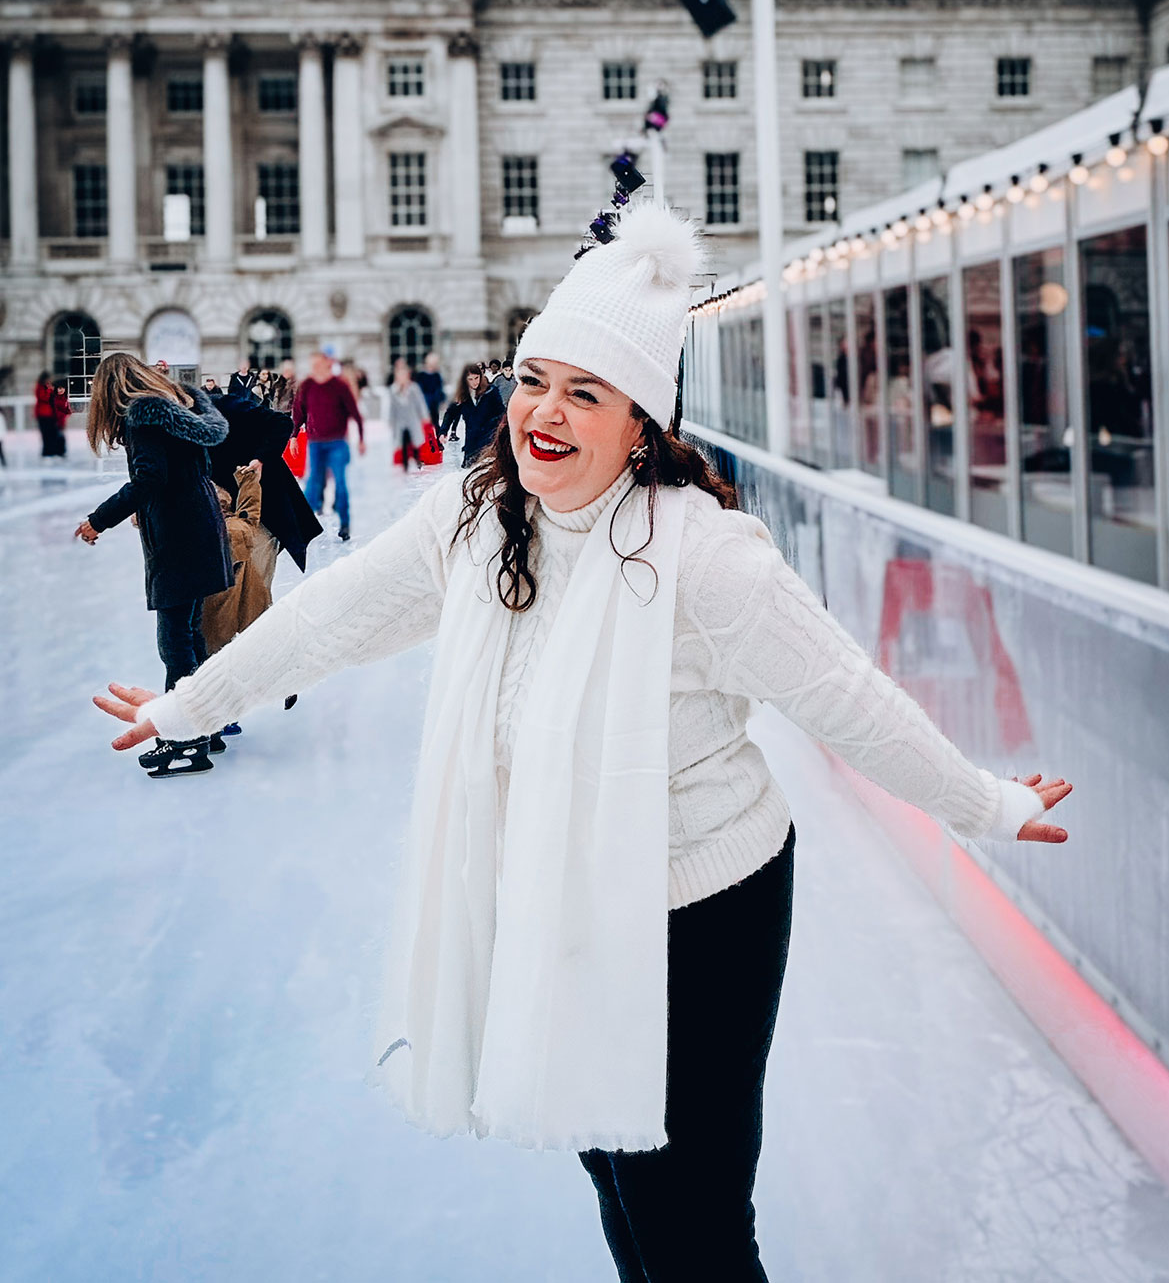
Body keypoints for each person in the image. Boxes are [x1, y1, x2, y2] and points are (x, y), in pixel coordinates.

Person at [95, 204, 1072, 1280]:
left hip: (702, 906)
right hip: (557, 885)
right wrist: (188, 703)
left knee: (688, 1212)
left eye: (586, 390)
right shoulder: (474, 518)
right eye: (534, 378)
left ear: (642, 423)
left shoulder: (705, 556)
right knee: (608, 1164)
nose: (544, 412)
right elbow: (334, 618)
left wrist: (989, 803)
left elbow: (846, 694)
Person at [79, 354, 233, 778]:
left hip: (180, 539)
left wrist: (99, 519)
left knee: (175, 643)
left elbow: (150, 478)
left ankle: (184, 739)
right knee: (189, 634)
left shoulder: (142, 417)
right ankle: (208, 725)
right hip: (201, 527)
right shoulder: (172, 410)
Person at [208, 381, 322, 589]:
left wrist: (260, 459)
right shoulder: (177, 431)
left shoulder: (223, 406)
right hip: (229, 513)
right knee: (235, 587)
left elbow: (281, 422)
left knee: (255, 584)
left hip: (264, 505)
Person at [202, 460, 273, 674]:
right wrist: (249, 480)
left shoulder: (200, 536)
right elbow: (250, 510)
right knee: (260, 632)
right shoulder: (240, 528)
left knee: (214, 649)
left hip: (214, 617)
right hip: (252, 599)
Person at [292, 351, 365, 542]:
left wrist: (362, 438)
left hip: (337, 443)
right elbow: (298, 412)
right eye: (312, 365)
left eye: (318, 364)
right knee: (312, 483)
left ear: (327, 364)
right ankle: (303, 525)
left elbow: (354, 412)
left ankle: (345, 524)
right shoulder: (307, 385)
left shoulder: (338, 386)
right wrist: (293, 436)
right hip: (315, 442)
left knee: (340, 482)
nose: (315, 368)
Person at [438, 361, 505, 467]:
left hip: (489, 438)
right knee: (470, 470)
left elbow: (501, 412)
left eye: (476, 378)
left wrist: (494, 425)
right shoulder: (461, 396)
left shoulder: (491, 392)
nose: (474, 382)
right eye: (470, 379)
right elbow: (450, 413)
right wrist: (443, 431)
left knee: (487, 469)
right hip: (472, 440)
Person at [388, 358, 431, 473]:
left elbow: (420, 403)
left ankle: (417, 460)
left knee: (415, 441)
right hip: (400, 422)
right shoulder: (393, 390)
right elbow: (391, 407)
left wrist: (424, 415)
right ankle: (405, 463)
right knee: (403, 441)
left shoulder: (413, 388)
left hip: (412, 419)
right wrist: (390, 420)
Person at [34, 372, 64, 457]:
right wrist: (49, 390)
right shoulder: (41, 387)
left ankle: (53, 450)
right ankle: (47, 451)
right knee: (46, 434)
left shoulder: (47, 387)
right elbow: (44, 398)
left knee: (52, 433)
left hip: (51, 414)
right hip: (43, 415)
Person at [415, 350, 445, 428]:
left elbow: (440, 388)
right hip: (424, 403)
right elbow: (419, 390)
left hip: (434, 404)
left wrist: (442, 399)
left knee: (435, 423)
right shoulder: (421, 375)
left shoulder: (437, 375)